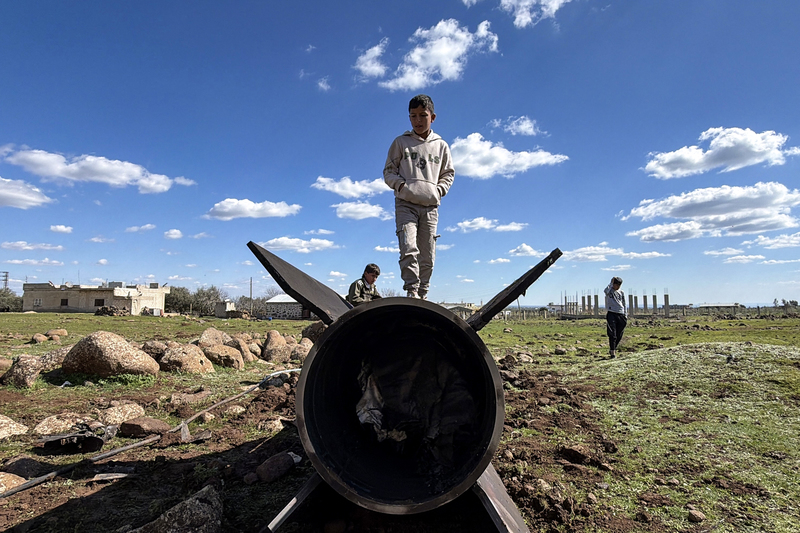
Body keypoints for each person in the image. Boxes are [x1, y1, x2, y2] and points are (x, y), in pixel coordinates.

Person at [383, 94, 455, 300]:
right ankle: (412, 291)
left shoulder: (441, 145)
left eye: (423, 115)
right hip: (406, 204)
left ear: (432, 117)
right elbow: (389, 171)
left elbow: (448, 173)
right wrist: (402, 186)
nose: (418, 120)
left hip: (430, 207)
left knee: (428, 254)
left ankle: (423, 294)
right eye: (413, 116)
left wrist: (439, 190)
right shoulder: (400, 143)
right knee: (408, 247)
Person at [604, 276, 627, 358]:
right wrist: (611, 283)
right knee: (612, 334)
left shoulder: (622, 292)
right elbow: (605, 291)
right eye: (616, 284)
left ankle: (613, 348)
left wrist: (625, 314)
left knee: (619, 334)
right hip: (611, 313)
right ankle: (613, 352)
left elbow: (624, 303)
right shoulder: (609, 290)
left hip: (621, 314)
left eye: (619, 285)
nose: (617, 287)